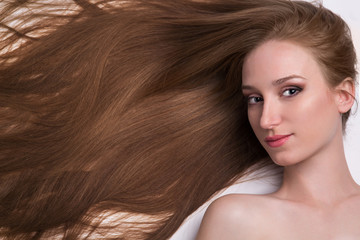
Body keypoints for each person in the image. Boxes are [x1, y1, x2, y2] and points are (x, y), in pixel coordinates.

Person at [0, 0, 357, 239]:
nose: (266, 118)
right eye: (254, 98)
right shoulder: (239, 220)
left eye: (290, 90)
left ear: (343, 95)